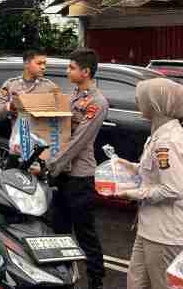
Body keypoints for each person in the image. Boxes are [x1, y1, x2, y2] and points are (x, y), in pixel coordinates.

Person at [113, 78, 183, 289]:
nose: (138, 102)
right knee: (136, 282)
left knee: (161, 285)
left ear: (156, 104)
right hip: (149, 228)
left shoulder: (167, 141)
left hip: (164, 233)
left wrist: (132, 194)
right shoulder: (160, 134)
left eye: (142, 98)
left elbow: (173, 188)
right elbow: (154, 172)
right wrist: (129, 166)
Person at [46, 48, 107, 289]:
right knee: (59, 228)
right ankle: (62, 276)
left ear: (86, 71)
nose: (67, 71)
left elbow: (78, 141)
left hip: (79, 176)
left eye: (71, 67)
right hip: (62, 174)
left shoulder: (97, 102)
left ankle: (96, 280)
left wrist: (53, 165)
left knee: (85, 233)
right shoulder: (71, 96)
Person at [0, 49, 57, 125]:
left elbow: (58, 115)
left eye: (44, 63)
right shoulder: (10, 85)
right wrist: (11, 106)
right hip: (19, 134)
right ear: (26, 64)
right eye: (39, 63)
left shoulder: (50, 87)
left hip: (41, 134)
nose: (43, 67)